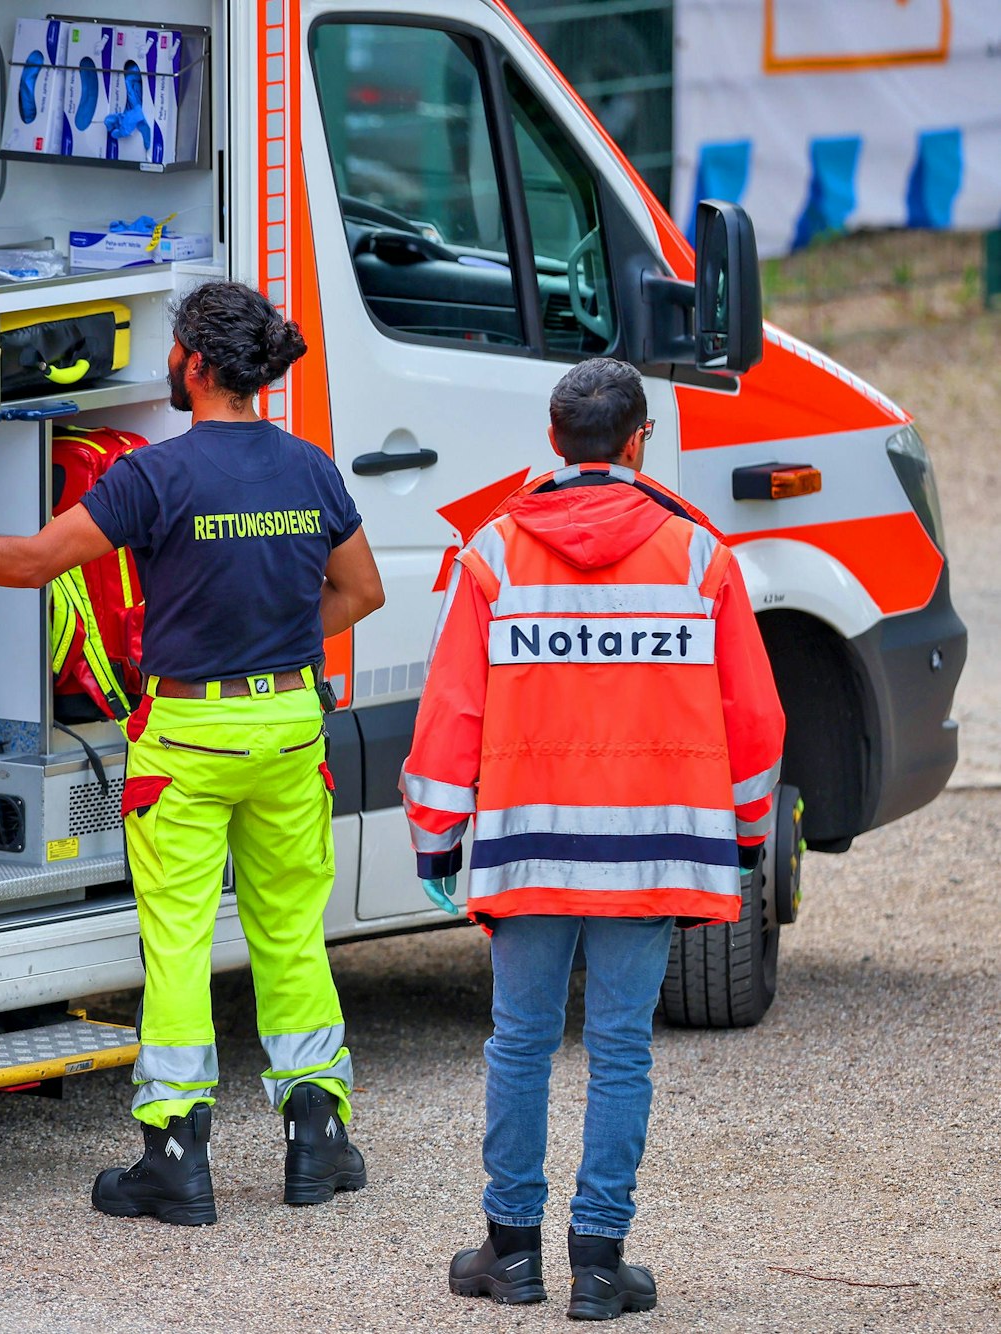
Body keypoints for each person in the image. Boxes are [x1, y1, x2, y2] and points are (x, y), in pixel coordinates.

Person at [0, 281, 385, 1225]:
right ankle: (317, 1138)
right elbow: (362, 592)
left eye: (174, 349)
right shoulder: (308, 467)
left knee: (178, 940)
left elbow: (31, 563)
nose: (167, 362)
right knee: (291, 931)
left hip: (187, 737)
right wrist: (270, 644)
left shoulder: (155, 476)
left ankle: (176, 1155)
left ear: (196, 365)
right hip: (288, 727)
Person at [400, 357, 784, 1319]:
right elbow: (753, 719)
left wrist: (436, 836)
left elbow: (449, 712)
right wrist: (745, 833)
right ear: (639, 440)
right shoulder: (699, 557)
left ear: (553, 439)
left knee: (519, 1044)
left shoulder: (493, 555)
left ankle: (510, 1255)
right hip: (651, 847)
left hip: (529, 844)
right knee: (619, 1051)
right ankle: (601, 1267)